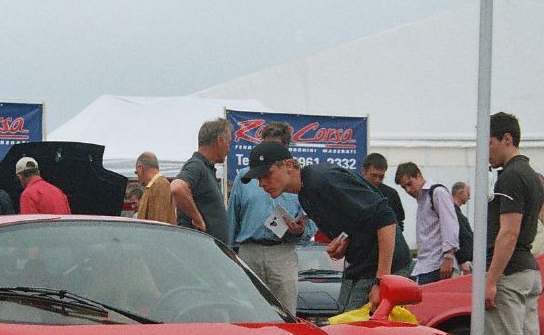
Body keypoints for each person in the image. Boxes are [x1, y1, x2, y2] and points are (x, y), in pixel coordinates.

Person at [242, 141, 405, 313]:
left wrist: (382, 281)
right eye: (258, 178)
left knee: (354, 331)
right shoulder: (305, 194)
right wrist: (343, 244)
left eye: (266, 174)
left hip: (385, 266)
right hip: (361, 266)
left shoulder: (321, 178)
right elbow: (357, 220)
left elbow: (386, 217)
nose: (261, 184)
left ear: (288, 165)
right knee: (344, 324)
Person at [483, 112, 544, 335]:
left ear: (506, 138)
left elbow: (508, 232)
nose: (486, 150)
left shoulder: (510, 176)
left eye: (489, 142)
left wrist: (490, 279)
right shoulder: (532, 175)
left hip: (511, 273)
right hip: (530, 273)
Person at [228, 122, 313, 311]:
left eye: (274, 147)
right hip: (249, 251)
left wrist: (300, 231)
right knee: (248, 309)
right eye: (264, 146)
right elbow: (231, 220)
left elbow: (311, 221)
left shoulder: (299, 181)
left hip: (282, 252)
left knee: (285, 311)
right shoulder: (244, 178)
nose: (268, 152)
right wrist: (228, 256)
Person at [393, 161, 459, 285]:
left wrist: (448, 257)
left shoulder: (437, 192)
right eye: (404, 187)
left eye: (409, 184)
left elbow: (449, 224)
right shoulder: (423, 199)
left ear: (419, 176)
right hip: (427, 264)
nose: (408, 190)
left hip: (438, 263)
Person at [172, 118, 230, 241]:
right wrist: (198, 219)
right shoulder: (196, 166)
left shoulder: (206, 169)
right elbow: (177, 187)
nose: (229, 149)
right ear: (220, 140)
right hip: (199, 250)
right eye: (228, 142)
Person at [361, 153, 414, 277]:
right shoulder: (354, 191)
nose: (377, 180)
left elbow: (399, 223)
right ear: (363, 171)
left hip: (387, 256)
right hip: (362, 256)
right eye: (373, 176)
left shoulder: (391, 194)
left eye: (381, 177)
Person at [134, 151, 176, 224]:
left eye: (136, 172)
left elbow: (160, 222)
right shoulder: (155, 185)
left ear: (140, 168)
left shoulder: (160, 185)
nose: (138, 177)